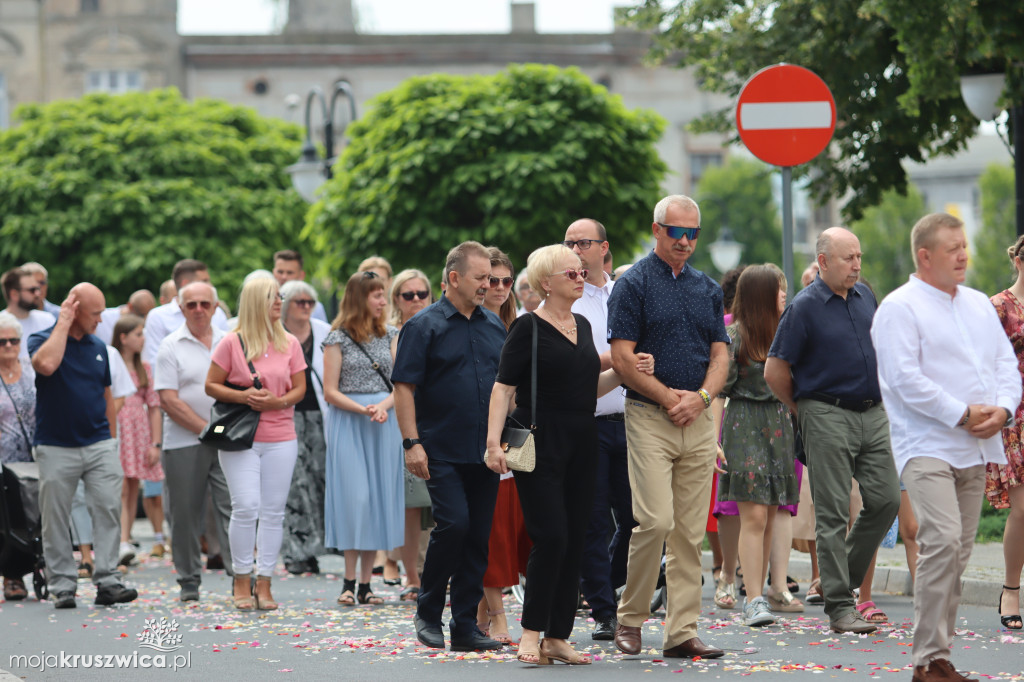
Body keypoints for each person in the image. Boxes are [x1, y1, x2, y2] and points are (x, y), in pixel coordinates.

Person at [486, 244, 654, 665]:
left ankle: (558, 636)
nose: (582, 278)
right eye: (572, 273)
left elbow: (588, 388)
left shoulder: (580, 323)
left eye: (581, 272)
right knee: (551, 536)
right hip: (540, 439)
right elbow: (504, 388)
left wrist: (627, 369)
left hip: (583, 438)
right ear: (546, 282)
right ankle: (530, 632)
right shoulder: (526, 328)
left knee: (576, 539)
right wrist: (492, 444)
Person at [871, 212, 1020, 682]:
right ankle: (927, 660)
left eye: (964, 244)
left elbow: (1004, 365)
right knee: (943, 541)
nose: (963, 254)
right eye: (952, 247)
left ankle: (939, 656)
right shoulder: (900, 307)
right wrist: (961, 412)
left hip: (977, 445)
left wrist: (1003, 410)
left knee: (958, 551)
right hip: (927, 443)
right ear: (925, 255)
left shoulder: (977, 304)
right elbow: (903, 379)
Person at [607, 195, 729, 660]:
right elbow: (621, 357)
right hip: (648, 415)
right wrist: (668, 398)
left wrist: (700, 400)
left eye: (692, 233)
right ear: (657, 229)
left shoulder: (707, 287)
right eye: (676, 231)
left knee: (689, 531)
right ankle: (631, 617)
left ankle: (681, 631)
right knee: (654, 520)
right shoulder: (633, 283)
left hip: (698, 416)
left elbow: (721, 353)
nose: (684, 241)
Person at [764, 227, 900, 635]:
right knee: (832, 511)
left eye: (859, 256)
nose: (856, 264)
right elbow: (774, 370)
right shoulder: (803, 307)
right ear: (823, 262)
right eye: (847, 258)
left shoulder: (866, 297)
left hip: (873, 412)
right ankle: (841, 607)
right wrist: (803, 407)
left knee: (886, 500)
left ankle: (838, 581)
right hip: (825, 413)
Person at [392, 241, 506, 652]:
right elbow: (403, 387)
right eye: (481, 278)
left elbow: (503, 388)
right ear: (454, 278)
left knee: (477, 535)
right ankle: (427, 611)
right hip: (438, 448)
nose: (488, 286)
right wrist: (411, 443)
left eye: (491, 279)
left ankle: (463, 626)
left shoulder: (494, 326)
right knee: (454, 524)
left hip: (485, 451)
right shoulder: (423, 326)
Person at [29, 283, 139, 608]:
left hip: (98, 443)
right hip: (55, 446)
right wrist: (63, 323)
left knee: (107, 509)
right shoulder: (42, 341)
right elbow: (46, 365)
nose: (101, 321)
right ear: (75, 311)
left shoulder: (100, 348)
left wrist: (112, 439)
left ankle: (107, 580)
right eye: (95, 314)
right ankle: (63, 585)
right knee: (56, 517)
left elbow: (107, 395)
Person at [205, 277, 306, 611]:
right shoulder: (231, 342)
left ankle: (265, 582)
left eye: (279, 296)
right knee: (246, 506)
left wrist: (277, 403)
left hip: (281, 436)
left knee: (273, 512)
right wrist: (244, 396)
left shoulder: (289, 342)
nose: (280, 302)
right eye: (272, 297)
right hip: (240, 437)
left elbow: (299, 390)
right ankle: (241, 578)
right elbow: (211, 385)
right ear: (254, 302)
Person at [561, 218, 638, 641]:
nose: (574, 249)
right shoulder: (567, 301)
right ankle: (605, 611)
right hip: (588, 423)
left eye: (583, 242)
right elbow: (581, 361)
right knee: (594, 523)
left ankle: (604, 586)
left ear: (603, 248)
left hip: (635, 420)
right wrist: (623, 357)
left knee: (639, 519)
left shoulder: (625, 292)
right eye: (569, 242)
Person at [713, 264, 800, 627]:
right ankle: (753, 599)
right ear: (761, 294)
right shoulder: (734, 336)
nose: (784, 294)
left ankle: (758, 594)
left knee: (768, 516)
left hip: (779, 428)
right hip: (745, 426)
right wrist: (715, 441)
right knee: (754, 516)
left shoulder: (787, 332)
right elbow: (718, 391)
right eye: (777, 288)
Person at [322, 271, 403, 605]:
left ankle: (366, 585)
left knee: (376, 500)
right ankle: (348, 579)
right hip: (350, 421)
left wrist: (382, 407)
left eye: (384, 294)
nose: (383, 301)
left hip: (383, 420)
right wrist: (363, 409)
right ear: (359, 298)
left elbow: (401, 384)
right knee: (355, 499)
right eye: (376, 295)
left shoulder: (392, 335)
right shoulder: (336, 338)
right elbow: (329, 390)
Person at [154, 281, 233, 602]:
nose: (199, 310)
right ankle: (189, 579)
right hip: (184, 442)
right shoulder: (170, 346)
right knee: (185, 513)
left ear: (215, 307)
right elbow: (168, 401)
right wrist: (209, 429)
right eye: (191, 305)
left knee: (234, 508)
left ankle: (240, 576)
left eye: (205, 304)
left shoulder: (231, 342)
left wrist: (225, 430)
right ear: (181, 308)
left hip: (229, 440)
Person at [474, 247, 530, 643]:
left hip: (514, 437)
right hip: (476, 433)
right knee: (491, 531)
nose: (498, 287)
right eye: (491, 280)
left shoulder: (520, 324)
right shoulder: (470, 323)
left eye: (506, 281)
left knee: (508, 532)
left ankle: (482, 617)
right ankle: (498, 617)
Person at [279, 280, 331, 576]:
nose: (306, 307)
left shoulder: (324, 332)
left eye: (310, 302)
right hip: (287, 415)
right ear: (287, 305)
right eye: (299, 302)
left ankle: (316, 547)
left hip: (320, 415)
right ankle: (295, 551)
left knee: (319, 480)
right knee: (294, 485)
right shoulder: (277, 333)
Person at [387, 268, 433, 600]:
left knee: (439, 506)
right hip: (408, 425)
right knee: (413, 505)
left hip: (441, 422)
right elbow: (404, 381)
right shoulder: (395, 335)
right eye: (408, 295)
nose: (416, 300)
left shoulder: (442, 326)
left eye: (421, 294)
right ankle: (413, 577)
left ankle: (436, 572)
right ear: (397, 301)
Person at [987, 234, 1024, 632]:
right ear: (1018, 261)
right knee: (1023, 509)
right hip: (1014, 416)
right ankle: (1010, 588)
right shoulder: (997, 306)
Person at [111, 315, 165, 561]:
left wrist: (155, 443)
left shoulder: (145, 369)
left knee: (132, 486)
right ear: (123, 338)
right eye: (138, 334)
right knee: (120, 486)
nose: (143, 339)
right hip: (118, 428)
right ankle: (119, 539)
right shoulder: (111, 364)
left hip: (138, 431)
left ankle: (126, 537)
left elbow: (154, 407)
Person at [0, 311, 37, 601]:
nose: (9, 346)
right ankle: (11, 575)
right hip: (3, 461)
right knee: (7, 519)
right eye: (2, 342)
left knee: (34, 516)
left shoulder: (32, 370)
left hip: (33, 457)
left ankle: (37, 566)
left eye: (14, 340)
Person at [145, 259, 229, 365]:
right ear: (186, 284)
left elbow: (229, 352)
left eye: (205, 305)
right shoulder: (158, 317)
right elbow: (156, 362)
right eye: (205, 281)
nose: (210, 285)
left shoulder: (217, 313)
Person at [2, 268, 55, 359]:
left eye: (38, 288)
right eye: (32, 290)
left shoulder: (48, 320)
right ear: (14, 294)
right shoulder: (1, 324)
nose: (38, 293)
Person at [272, 249, 329, 323]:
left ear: (301, 275)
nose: (284, 277)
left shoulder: (314, 307)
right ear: (273, 272)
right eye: (280, 272)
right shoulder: (266, 303)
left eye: (290, 273)